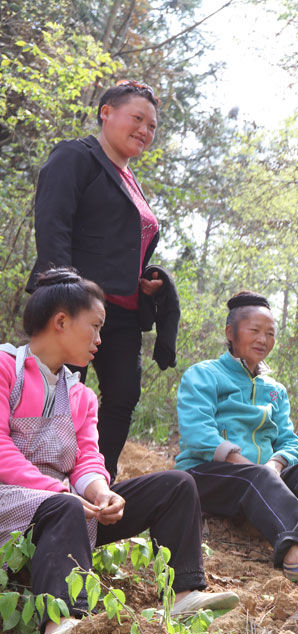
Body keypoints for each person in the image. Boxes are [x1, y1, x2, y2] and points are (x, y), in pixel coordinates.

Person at [0, 269, 238, 634]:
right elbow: (1, 450)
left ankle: (183, 593)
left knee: (176, 485)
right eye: (94, 327)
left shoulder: (80, 395)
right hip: (11, 503)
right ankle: (61, 624)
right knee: (65, 506)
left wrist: (100, 493)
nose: (99, 339)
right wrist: (59, 493)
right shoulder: (5, 368)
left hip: (65, 509)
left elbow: (86, 459)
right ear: (61, 322)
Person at [174, 292, 298, 583]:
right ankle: (296, 556)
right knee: (258, 476)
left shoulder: (274, 389)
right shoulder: (203, 374)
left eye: (270, 333)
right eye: (254, 330)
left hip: (261, 480)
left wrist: (274, 466)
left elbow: (289, 441)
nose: (262, 339)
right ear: (230, 333)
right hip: (206, 474)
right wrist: (245, 464)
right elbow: (197, 431)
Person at [31, 80, 171, 477]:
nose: (144, 130)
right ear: (106, 112)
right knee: (58, 392)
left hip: (122, 312)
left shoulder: (131, 180)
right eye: (137, 118)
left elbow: (118, 245)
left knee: (123, 397)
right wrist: (62, 293)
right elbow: (53, 223)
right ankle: (42, 481)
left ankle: (96, 483)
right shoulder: (77, 156)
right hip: (73, 304)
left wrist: (144, 280)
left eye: (152, 126)